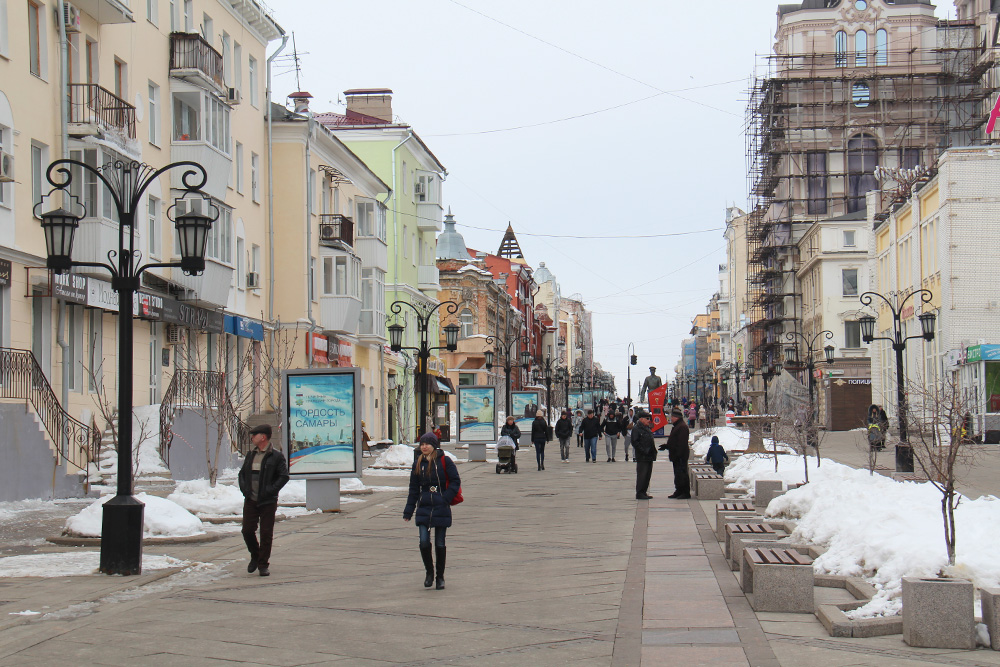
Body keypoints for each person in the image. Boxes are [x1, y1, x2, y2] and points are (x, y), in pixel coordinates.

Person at [403, 432, 460, 590]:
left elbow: (455, 481)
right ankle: (429, 571)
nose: (424, 447)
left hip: (441, 506)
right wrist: (409, 511)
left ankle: (440, 577)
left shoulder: (444, 461)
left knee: (440, 543)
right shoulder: (418, 463)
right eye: (422, 444)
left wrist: (445, 498)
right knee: (423, 542)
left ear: (434, 445)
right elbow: (413, 489)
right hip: (424, 507)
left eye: (427, 444)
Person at [238, 423, 289, 577]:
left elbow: (283, 476)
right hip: (251, 499)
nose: (252, 437)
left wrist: (270, 490)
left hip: (267, 501)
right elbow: (242, 474)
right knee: (247, 530)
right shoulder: (251, 454)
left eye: (255, 434)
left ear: (263, 437)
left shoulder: (276, 456)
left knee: (266, 533)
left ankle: (262, 564)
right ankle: (255, 554)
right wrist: (244, 489)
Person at [659, 408, 691, 499]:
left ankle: (685, 492)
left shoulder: (682, 427)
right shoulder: (677, 425)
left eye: (672, 417)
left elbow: (681, 443)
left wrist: (678, 455)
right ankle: (679, 490)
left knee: (682, 474)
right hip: (676, 455)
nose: (671, 418)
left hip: (680, 456)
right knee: (678, 474)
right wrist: (667, 446)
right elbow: (674, 441)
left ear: (676, 417)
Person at [631, 410, 657, 499]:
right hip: (642, 456)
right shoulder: (636, 428)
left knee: (647, 475)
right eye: (647, 419)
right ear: (641, 419)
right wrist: (643, 451)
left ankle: (644, 491)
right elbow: (635, 442)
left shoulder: (646, 428)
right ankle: (640, 492)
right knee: (642, 474)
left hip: (649, 455)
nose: (648, 420)